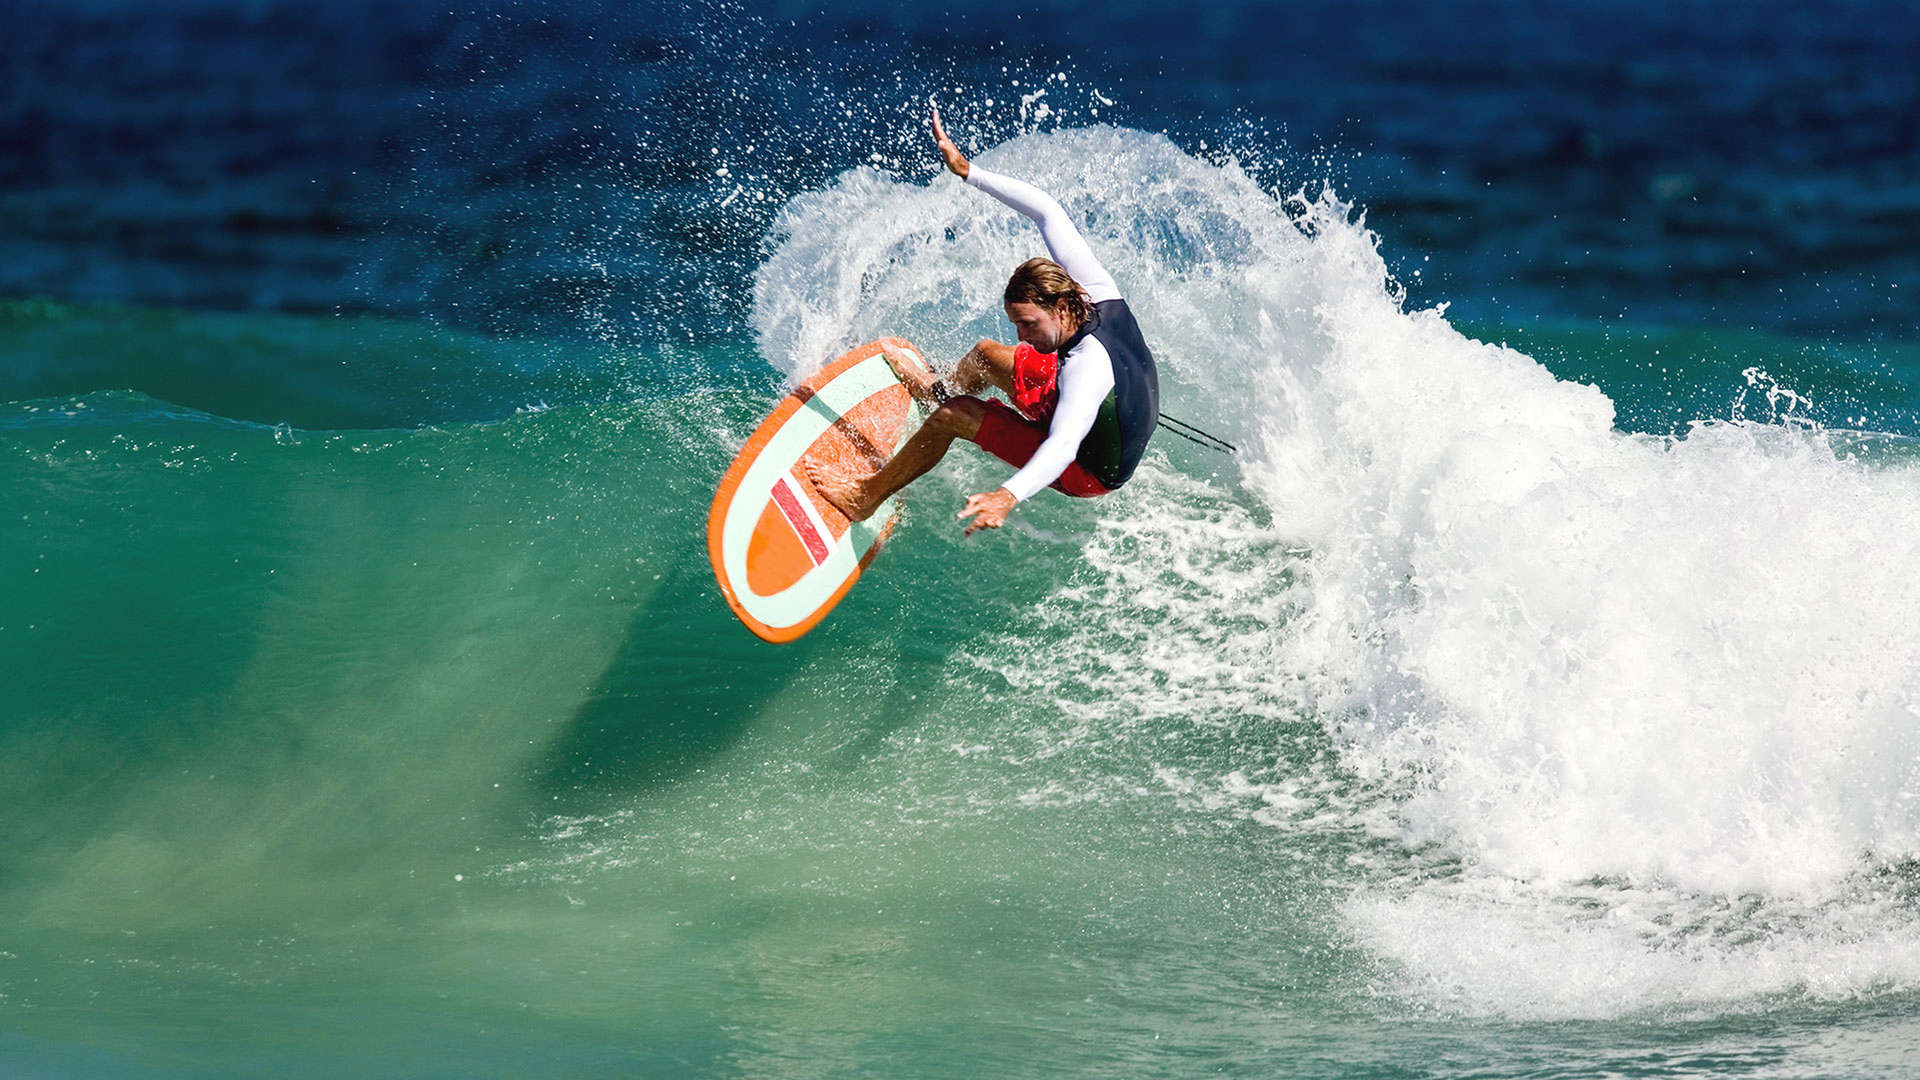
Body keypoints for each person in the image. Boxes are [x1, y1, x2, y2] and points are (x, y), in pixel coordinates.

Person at [809, 105, 1160, 536]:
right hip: (1109, 413)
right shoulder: (1095, 291)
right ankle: (935, 393)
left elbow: (1064, 445)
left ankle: (864, 499)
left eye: (1029, 324)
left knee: (954, 415)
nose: (1022, 337)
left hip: (1088, 468)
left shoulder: (1086, 368)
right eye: (1017, 323)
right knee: (985, 356)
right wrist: (967, 171)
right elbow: (1048, 211)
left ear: (1063, 307)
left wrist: (1007, 494)